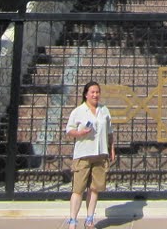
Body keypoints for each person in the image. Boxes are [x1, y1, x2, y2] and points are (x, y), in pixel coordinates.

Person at [65, 81, 115, 228]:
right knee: (78, 189)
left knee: (94, 189)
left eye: (97, 92)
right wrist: (79, 133)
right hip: (83, 153)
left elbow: (110, 132)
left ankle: (90, 219)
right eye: (92, 92)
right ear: (86, 94)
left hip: (100, 153)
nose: (95, 95)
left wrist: (112, 148)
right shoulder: (78, 111)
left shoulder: (104, 110)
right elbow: (69, 130)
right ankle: (73, 220)